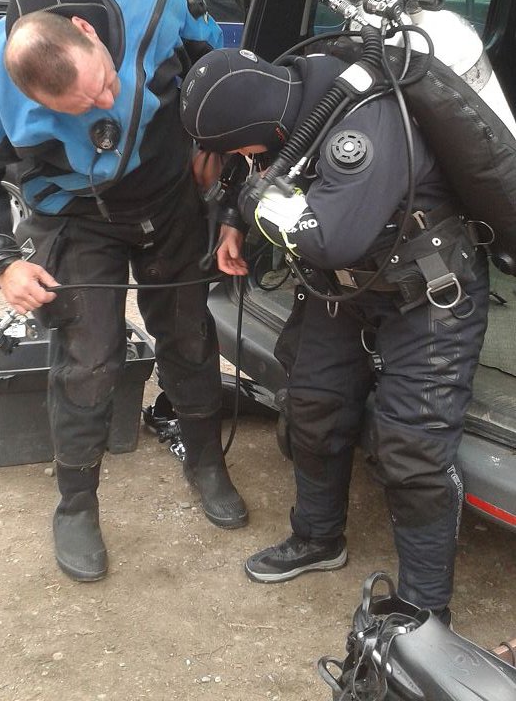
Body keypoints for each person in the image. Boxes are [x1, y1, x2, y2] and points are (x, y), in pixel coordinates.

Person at [0, 0, 248, 583]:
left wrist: (214, 145)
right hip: (75, 214)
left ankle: (207, 462)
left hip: (168, 193)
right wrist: (3, 262)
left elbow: (219, 68)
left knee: (188, 334)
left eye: (103, 84)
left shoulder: (153, 3)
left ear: (88, 30)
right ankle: (76, 505)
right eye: (77, 108)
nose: (104, 103)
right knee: (90, 357)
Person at [179, 45, 490, 623]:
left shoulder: (363, 121)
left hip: (427, 291)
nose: (241, 159)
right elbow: (266, 174)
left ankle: (423, 611)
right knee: (312, 404)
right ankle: (318, 537)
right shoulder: (295, 106)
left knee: (412, 449)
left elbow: (326, 237)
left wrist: (254, 203)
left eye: (240, 148)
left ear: (261, 124)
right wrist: (234, 219)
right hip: (345, 289)